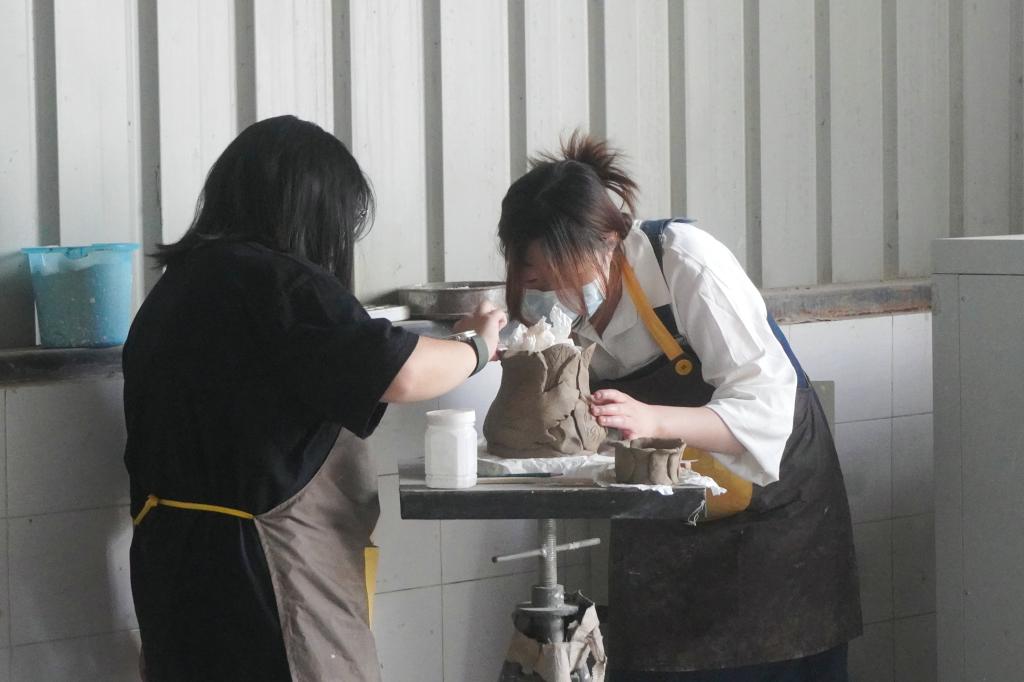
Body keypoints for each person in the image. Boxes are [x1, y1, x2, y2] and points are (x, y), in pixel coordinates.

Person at [123, 114, 506, 682]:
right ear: (312, 210)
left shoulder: (176, 288)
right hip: (263, 577)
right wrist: (478, 346)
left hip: (170, 570)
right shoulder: (280, 282)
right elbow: (399, 372)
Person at [496, 132, 862, 681]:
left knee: (773, 663)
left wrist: (652, 419)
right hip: (663, 516)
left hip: (771, 518)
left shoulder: (683, 262)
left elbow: (765, 405)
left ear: (609, 242)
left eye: (564, 275)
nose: (555, 293)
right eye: (537, 279)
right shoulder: (556, 312)